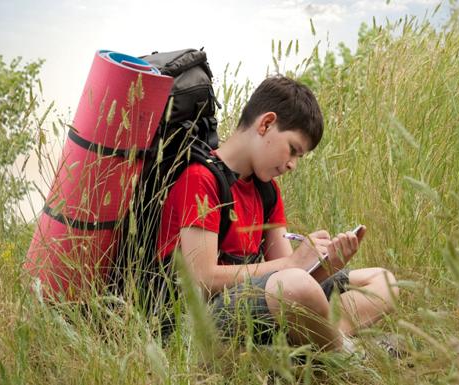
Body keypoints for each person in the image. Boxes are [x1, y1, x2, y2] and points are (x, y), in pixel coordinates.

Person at [155, 75, 399, 351]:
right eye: (293, 150)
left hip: (263, 302)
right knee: (295, 285)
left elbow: (289, 277)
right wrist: (294, 264)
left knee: (383, 281)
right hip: (203, 319)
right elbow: (202, 280)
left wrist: (325, 265)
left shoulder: (267, 191)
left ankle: (318, 342)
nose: (293, 164)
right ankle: (346, 357)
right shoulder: (201, 179)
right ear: (266, 124)